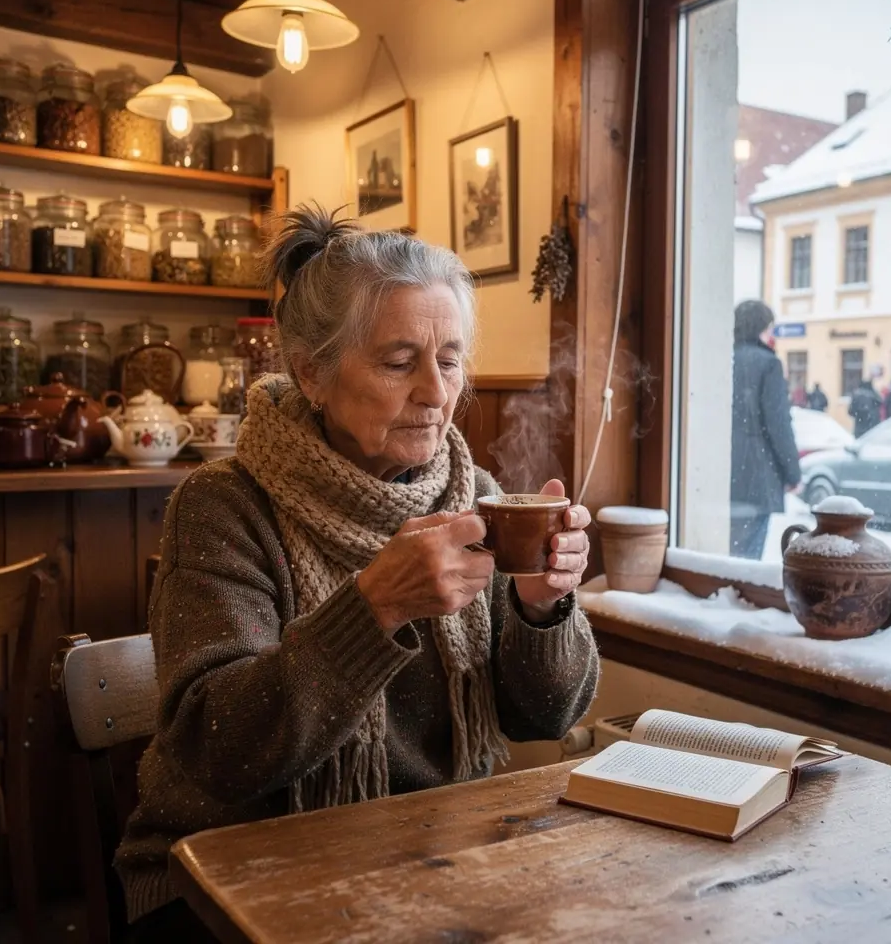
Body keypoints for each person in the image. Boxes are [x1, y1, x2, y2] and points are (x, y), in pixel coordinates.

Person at [115, 207, 600, 941]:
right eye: (399, 362)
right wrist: (371, 610)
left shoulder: (478, 496)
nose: (438, 394)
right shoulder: (223, 507)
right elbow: (217, 751)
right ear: (311, 372)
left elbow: (547, 717)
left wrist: (540, 609)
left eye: (451, 359)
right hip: (230, 870)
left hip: (430, 856)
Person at [730, 301, 801, 560]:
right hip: (755, 477)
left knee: (723, 554)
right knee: (745, 560)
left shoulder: (723, 358)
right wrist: (792, 473)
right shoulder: (768, 364)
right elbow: (778, 423)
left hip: (721, 476)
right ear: (762, 327)